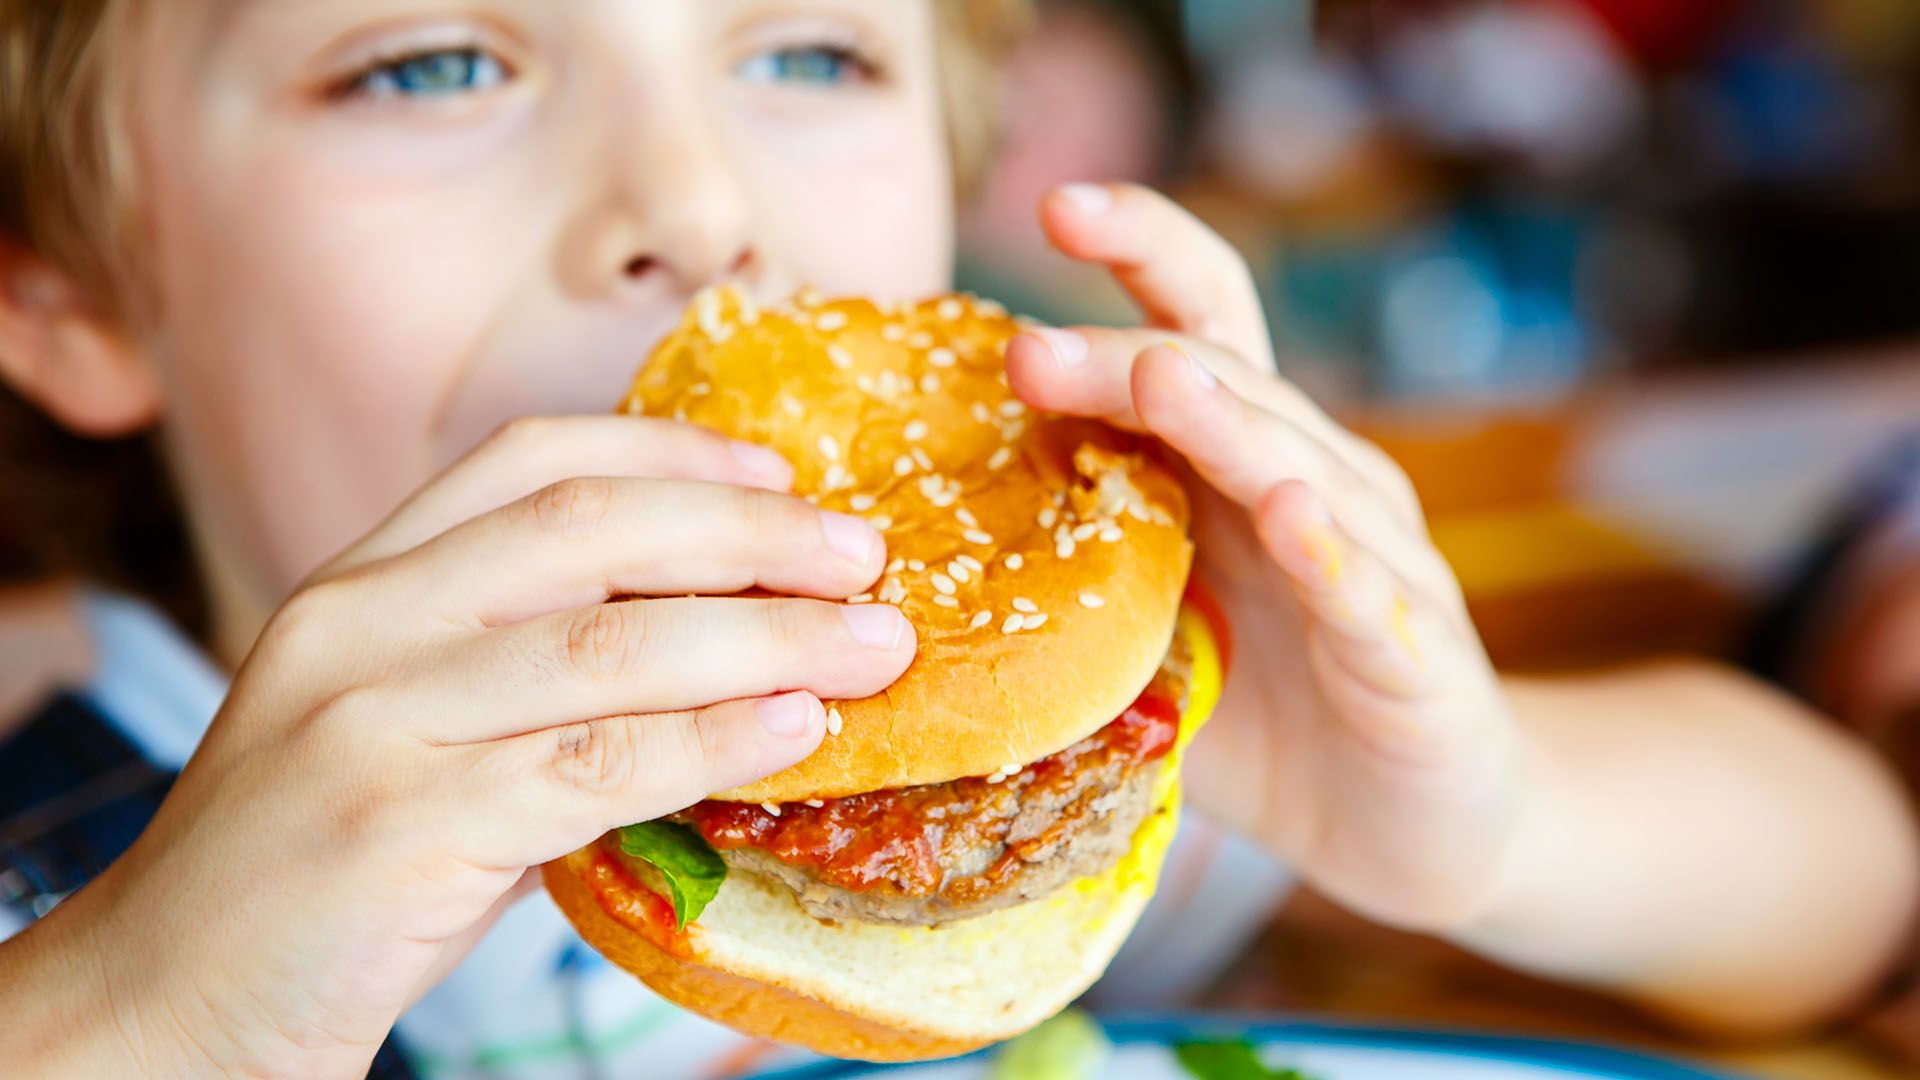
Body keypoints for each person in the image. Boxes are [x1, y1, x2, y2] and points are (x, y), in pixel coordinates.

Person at [0, 2, 1914, 1077]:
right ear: (72, 285)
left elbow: (1855, 891)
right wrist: (151, 1017)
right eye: (432, 63)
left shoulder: (991, 768)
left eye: (810, 55)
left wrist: (1485, 818)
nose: (695, 202)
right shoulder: (57, 856)